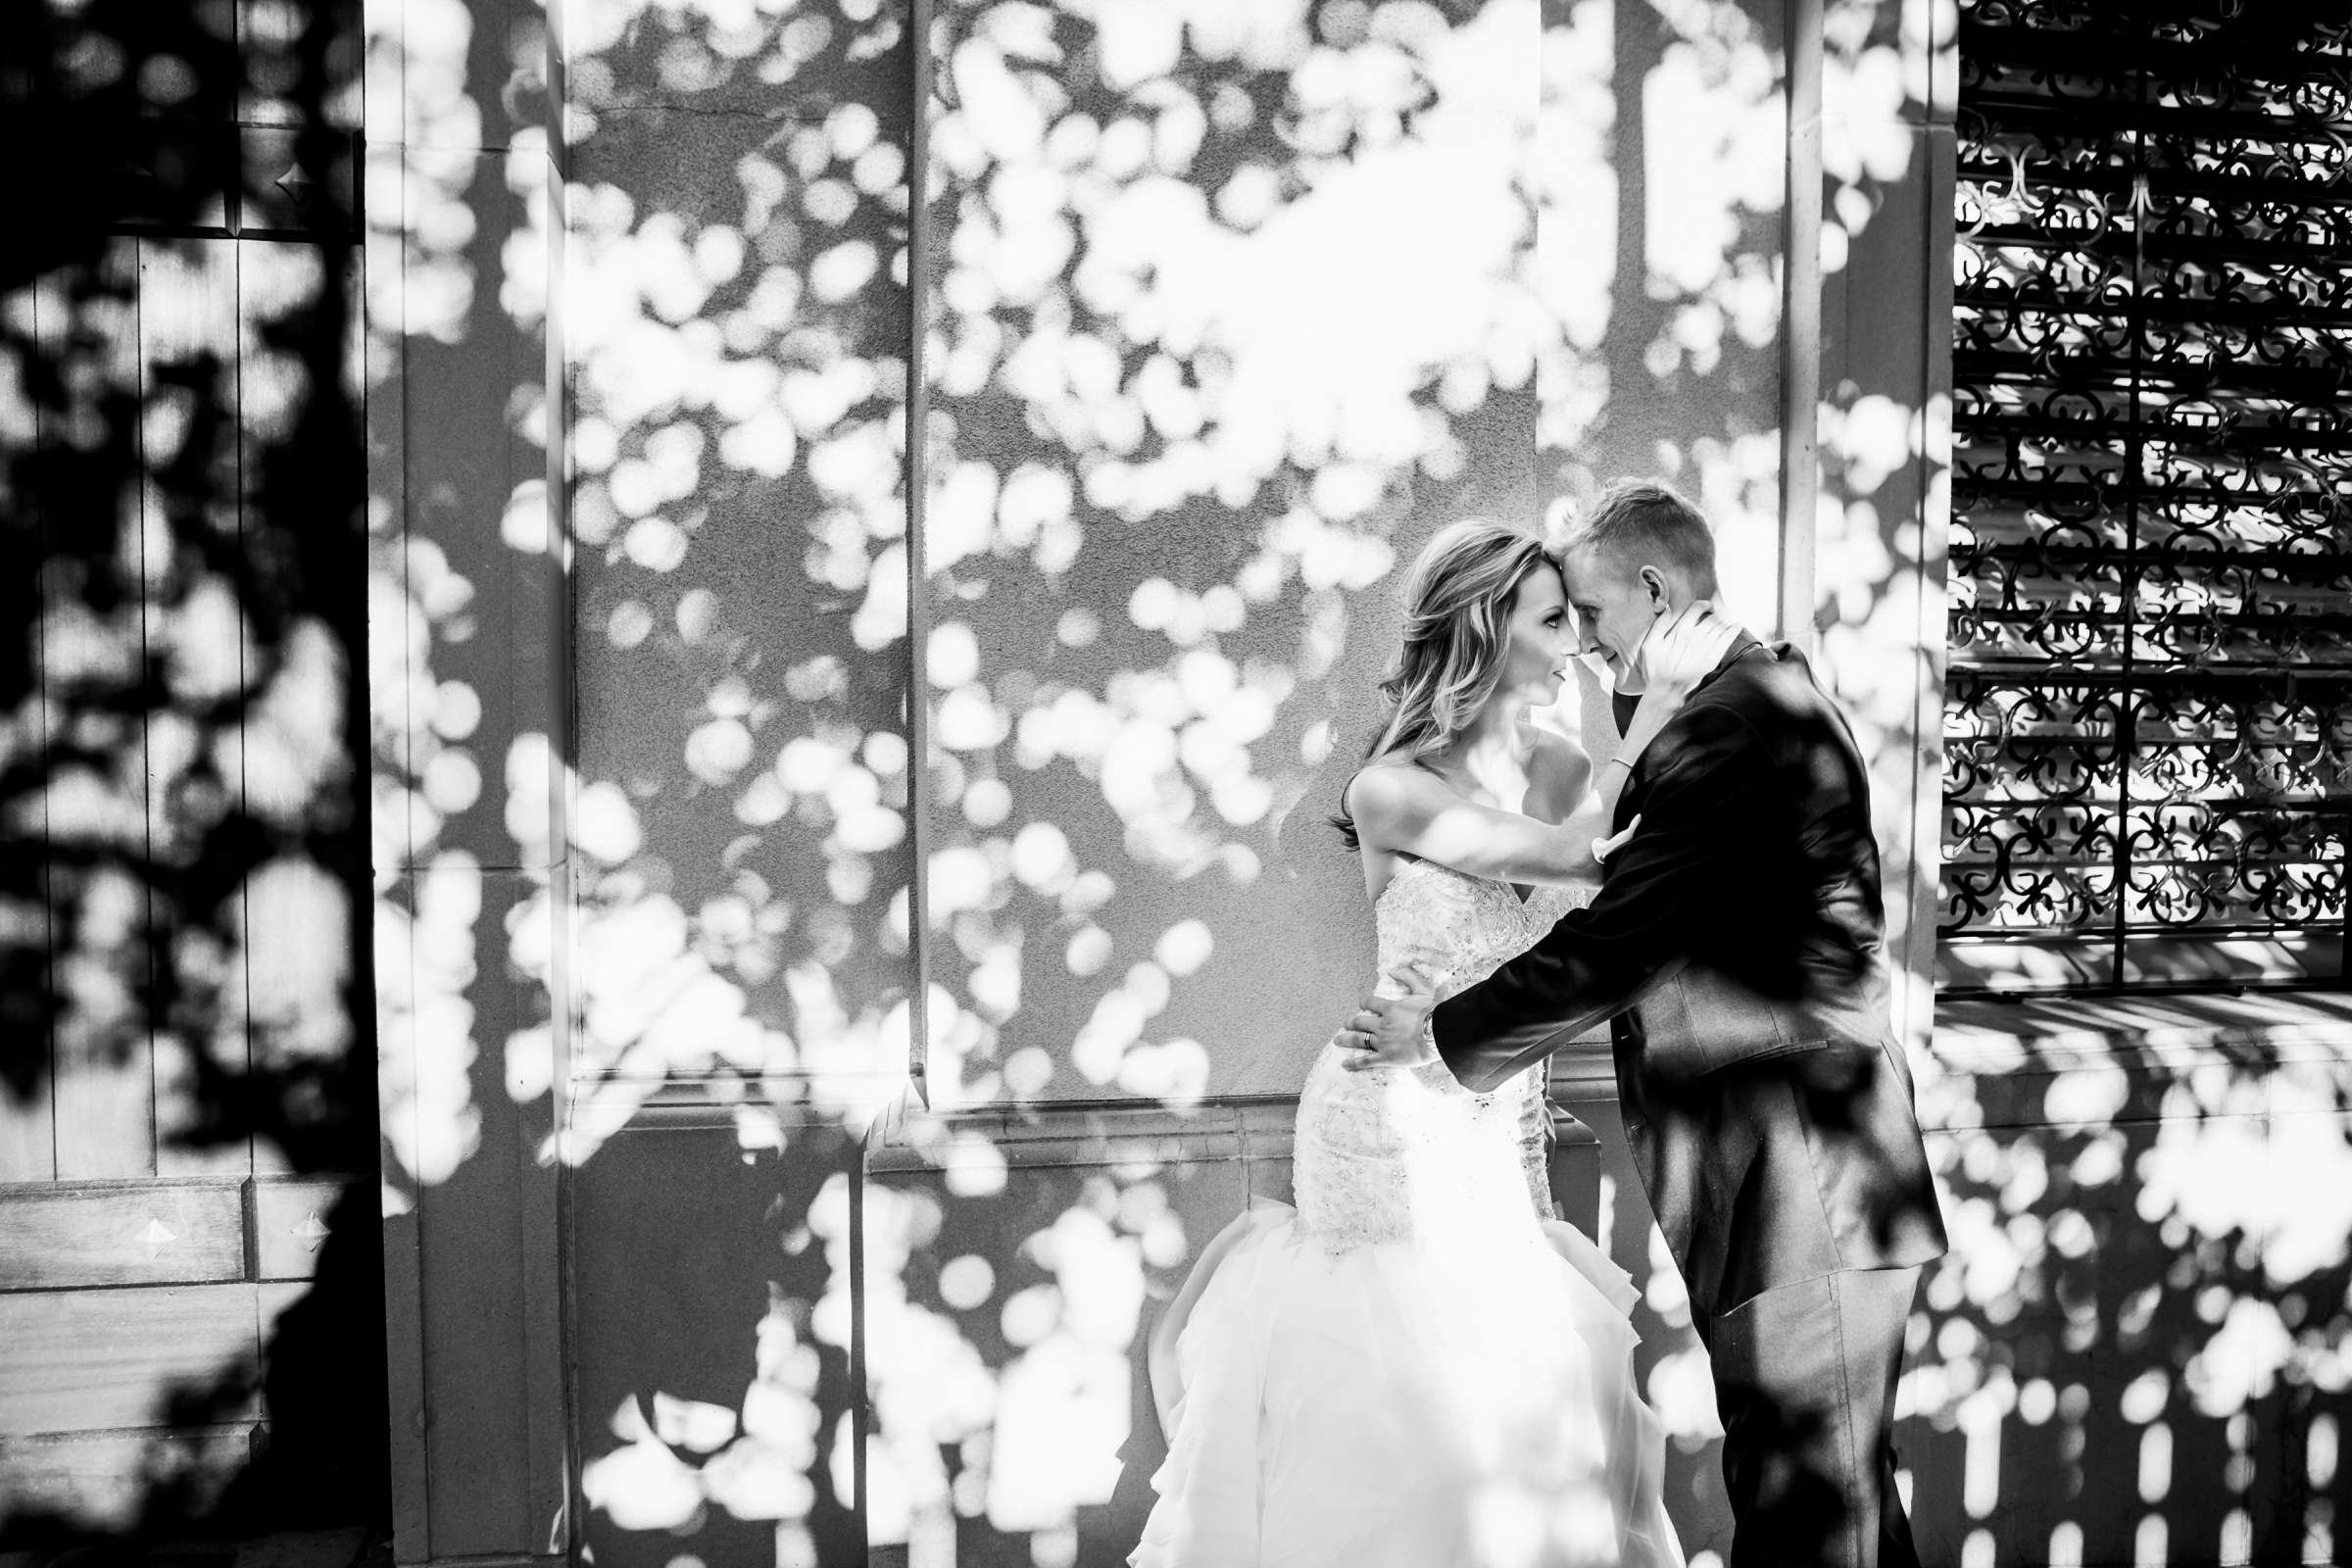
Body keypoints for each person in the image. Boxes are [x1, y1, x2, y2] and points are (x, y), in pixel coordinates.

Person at [1337, 481, 1950, 1568]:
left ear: (1656, 592)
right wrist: (1645, 706)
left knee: (1816, 1512)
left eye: (1591, 614)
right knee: (1830, 1503)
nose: (1581, 648)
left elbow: (1619, 941)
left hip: (1800, 1175)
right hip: (1790, 1175)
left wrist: (1434, 1041)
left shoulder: (1727, 728)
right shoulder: (1755, 702)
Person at [1133, 516, 1733, 1568]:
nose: (1578, 643)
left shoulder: (1554, 764)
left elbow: (1617, 891)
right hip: (1388, 1118)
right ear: (1486, 631)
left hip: (1500, 1120)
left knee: (1515, 1391)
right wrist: (1661, 705)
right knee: (1411, 1394)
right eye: (1556, 620)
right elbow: (1580, 859)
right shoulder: (1391, 787)